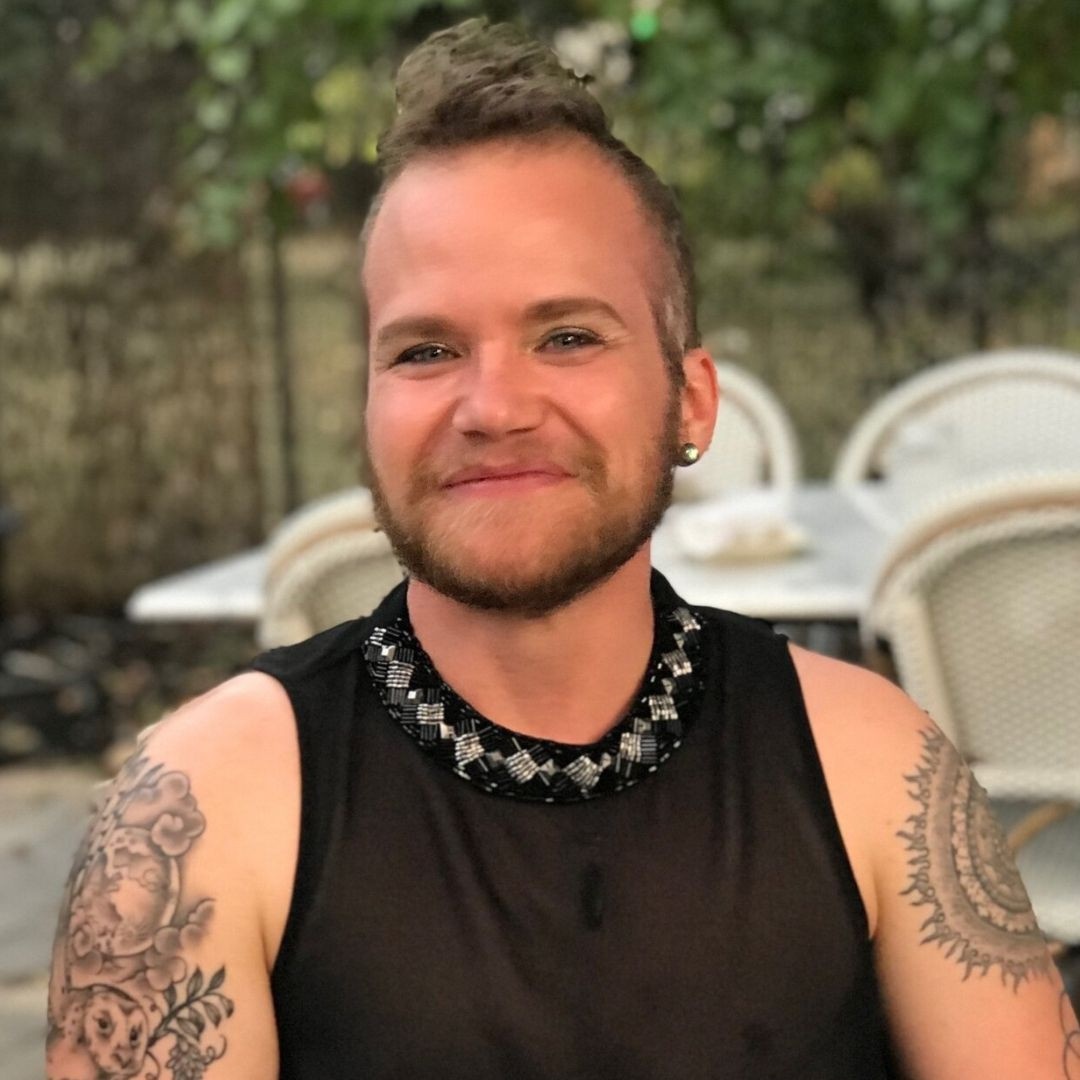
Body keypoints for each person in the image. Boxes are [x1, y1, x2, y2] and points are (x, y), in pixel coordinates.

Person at [48, 18, 1079, 1080]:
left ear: (690, 398)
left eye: (569, 337)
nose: (492, 406)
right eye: (426, 349)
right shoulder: (202, 813)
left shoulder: (874, 767)